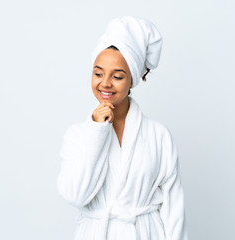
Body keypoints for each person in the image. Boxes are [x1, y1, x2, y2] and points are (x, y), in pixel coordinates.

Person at [57, 16, 188, 240]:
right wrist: (97, 132)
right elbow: (76, 196)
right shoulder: (78, 135)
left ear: (133, 80)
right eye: (98, 73)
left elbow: (174, 210)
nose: (105, 83)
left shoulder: (158, 136)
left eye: (117, 76)